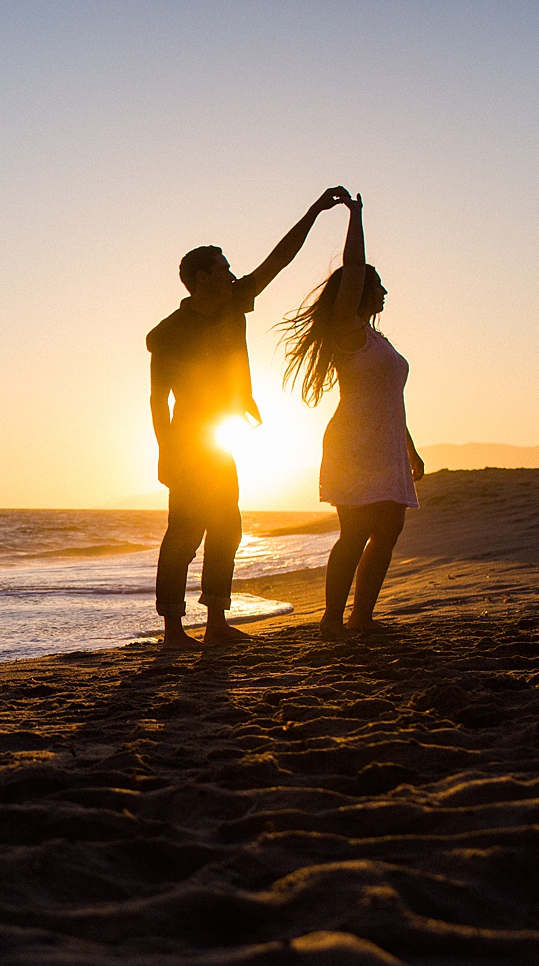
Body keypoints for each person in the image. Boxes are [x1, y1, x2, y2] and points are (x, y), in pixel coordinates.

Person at [148, 187, 349, 648]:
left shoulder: (233, 300)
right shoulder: (167, 334)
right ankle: (174, 629)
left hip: (221, 437)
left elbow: (279, 261)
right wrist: (165, 453)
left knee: (227, 526)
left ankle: (216, 623)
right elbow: (159, 400)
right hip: (187, 441)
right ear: (202, 278)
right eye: (224, 268)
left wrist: (315, 211)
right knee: (184, 532)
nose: (234, 274)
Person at [278, 192, 424, 640]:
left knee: (390, 529)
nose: (383, 292)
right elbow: (355, 268)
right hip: (354, 444)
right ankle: (331, 620)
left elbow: (391, 398)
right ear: (359, 291)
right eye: (377, 286)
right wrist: (356, 216)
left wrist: (410, 449)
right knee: (356, 531)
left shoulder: (378, 341)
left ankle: (362, 618)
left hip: (386, 445)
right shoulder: (348, 331)